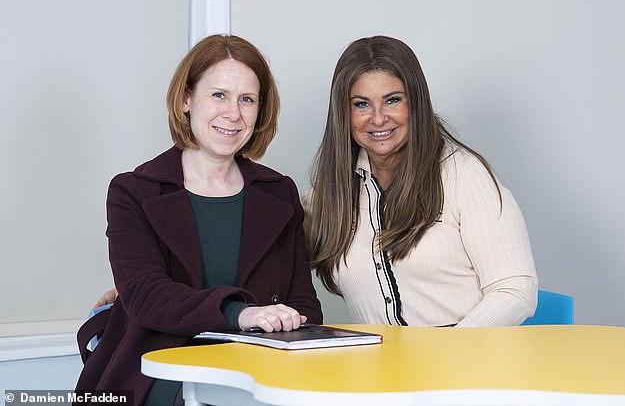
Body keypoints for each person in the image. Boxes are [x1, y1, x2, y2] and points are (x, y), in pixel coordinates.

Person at [75, 34, 322, 405]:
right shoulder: (134, 191)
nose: (233, 113)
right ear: (186, 100)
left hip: (257, 369)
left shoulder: (279, 192)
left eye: (247, 100)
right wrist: (242, 314)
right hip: (161, 368)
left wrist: (283, 326)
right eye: (219, 95)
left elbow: (303, 305)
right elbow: (145, 296)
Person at [303, 35, 537, 328]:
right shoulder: (332, 193)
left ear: (415, 103)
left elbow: (515, 290)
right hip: (379, 371)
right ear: (344, 114)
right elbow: (267, 251)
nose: (377, 119)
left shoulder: (465, 175)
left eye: (392, 100)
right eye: (361, 104)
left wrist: (447, 355)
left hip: (465, 364)